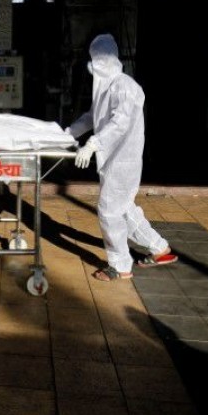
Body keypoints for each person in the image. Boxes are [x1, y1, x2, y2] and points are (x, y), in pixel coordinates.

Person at [66, 33, 176, 281]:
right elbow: (91, 117)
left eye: (99, 60)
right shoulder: (105, 88)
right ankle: (160, 249)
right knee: (124, 208)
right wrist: (68, 133)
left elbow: (119, 123)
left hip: (123, 160)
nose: (96, 65)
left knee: (108, 210)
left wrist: (93, 143)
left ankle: (120, 265)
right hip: (112, 159)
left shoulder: (126, 87)